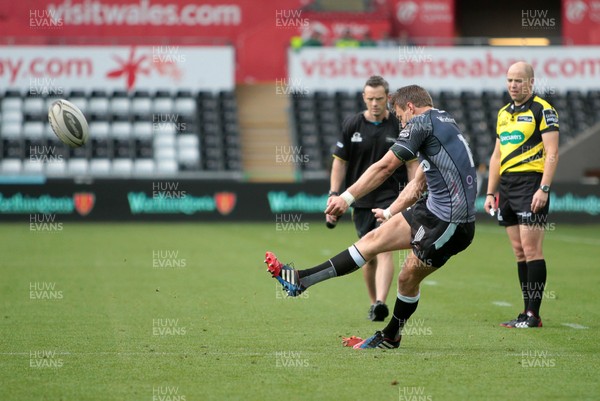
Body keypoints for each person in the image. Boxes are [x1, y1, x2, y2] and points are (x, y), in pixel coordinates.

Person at [265, 85, 477, 349]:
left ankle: (390, 336)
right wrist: (390, 212)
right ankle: (301, 280)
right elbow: (418, 184)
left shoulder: (421, 123)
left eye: (399, 117)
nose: (400, 123)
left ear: (410, 107)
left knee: (406, 278)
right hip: (432, 209)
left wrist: (347, 197)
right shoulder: (443, 120)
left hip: (450, 223)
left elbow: (386, 167)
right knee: (372, 239)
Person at [327, 75, 410, 321]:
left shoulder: (398, 125)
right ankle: (374, 302)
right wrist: (334, 193)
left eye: (380, 99)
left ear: (388, 98)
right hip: (360, 199)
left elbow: (413, 162)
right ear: (364, 98)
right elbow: (339, 163)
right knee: (368, 256)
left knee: (384, 248)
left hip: (390, 197)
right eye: (370, 98)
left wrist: (413, 192)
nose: (375, 103)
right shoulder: (352, 124)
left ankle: (382, 301)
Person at [484, 62, 559, 329]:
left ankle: (533, 315)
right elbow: (496, 156)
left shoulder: (544, 110)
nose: (513, 85)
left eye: (518, 80)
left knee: (531, 249)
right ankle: (526, 312)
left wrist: (544, 188)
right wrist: (491, 191)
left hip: (531, 184)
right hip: (507, 186)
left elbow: (552, 153)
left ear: (530, 82)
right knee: (518, 252)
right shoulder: (503, 113)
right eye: (509, 80)